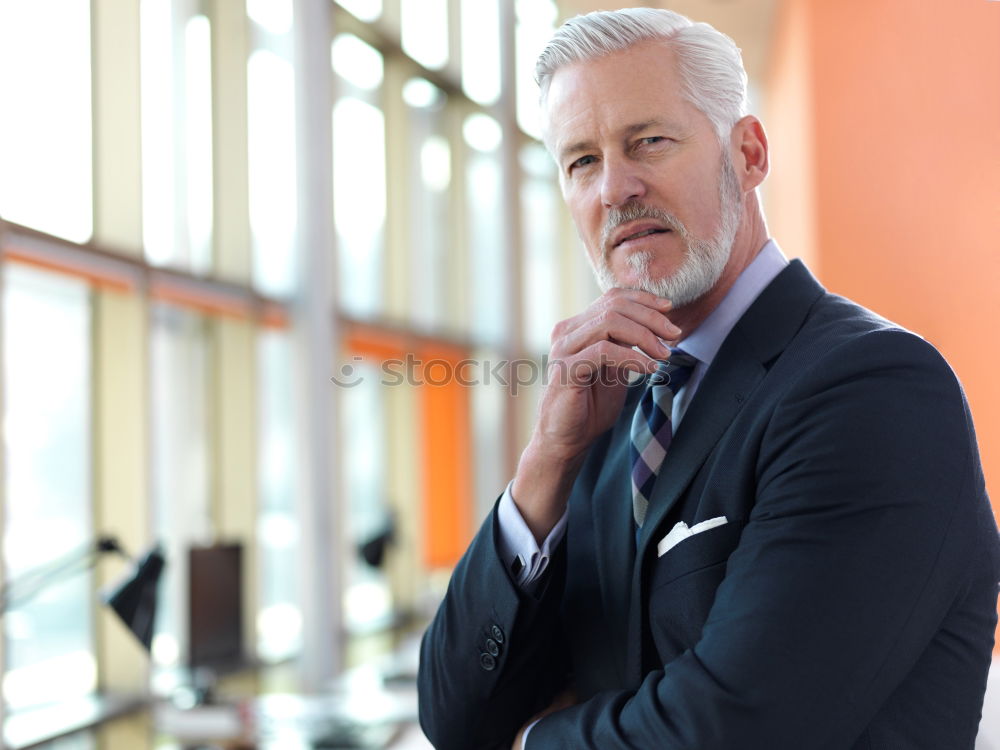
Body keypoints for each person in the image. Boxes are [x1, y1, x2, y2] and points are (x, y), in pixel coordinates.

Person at [417, 8, 1000, 749]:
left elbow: (737, 727)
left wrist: (535, 740)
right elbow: (455, 717)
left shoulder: (874, 389)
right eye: (581, 162)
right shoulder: (606, 415)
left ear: (749, 154)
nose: (615, 189)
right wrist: (546, 462)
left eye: (648, 141)